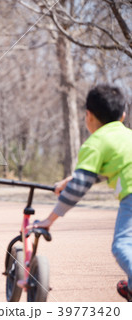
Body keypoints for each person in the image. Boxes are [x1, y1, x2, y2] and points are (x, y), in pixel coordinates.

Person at [33, 84, 132, 301]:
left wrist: (49, 220)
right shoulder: (127, 136)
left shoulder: (95, 143)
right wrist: (71, 179)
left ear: (88, 116)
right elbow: (104, 171)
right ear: (123, 114)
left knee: (122, 245)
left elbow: (78, 189)